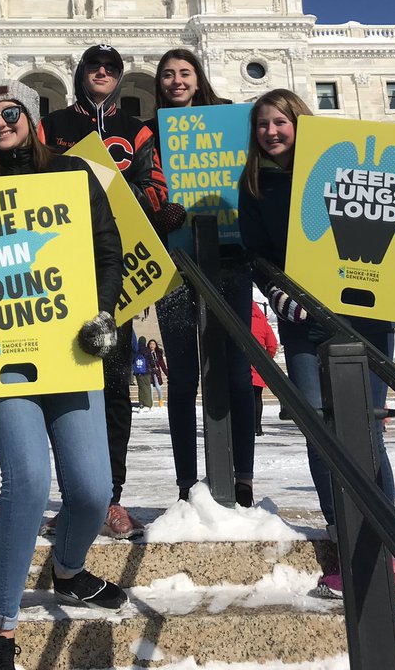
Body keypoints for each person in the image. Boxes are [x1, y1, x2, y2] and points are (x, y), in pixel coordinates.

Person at [0, 80, 126, 670]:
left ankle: (66, 567)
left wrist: (103, 313)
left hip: (68, 345)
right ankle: (2, 624)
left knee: (91, 489)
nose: (1, 123)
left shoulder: (74, 176)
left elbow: (107, 251)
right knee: (28, 480)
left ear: (32, 120)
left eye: (11, 114)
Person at [238, 87, 395, 598]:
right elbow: (256, 253)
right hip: (303, 323)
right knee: (320, 430)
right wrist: (277, 291)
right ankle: (344, 534)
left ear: (300, 123)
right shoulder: (253, 187)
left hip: (367, 317)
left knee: (365, 430)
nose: (271, 131)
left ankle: (382, 545)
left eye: (280, 122)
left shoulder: (341, 165)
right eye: (263, 124)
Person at [40, 44, 174, 539]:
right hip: (58, 265)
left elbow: (157, 186)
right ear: (80, 74)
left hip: (114, 265)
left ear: (120, 77)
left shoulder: (136, 130)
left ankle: (112, 496)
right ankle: (75, 496)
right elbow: (30, 180)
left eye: (111, 68)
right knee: (66, 386)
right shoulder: (51, 126)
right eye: (94, 67)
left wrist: (117, 194)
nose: (103, 73)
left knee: (116, 387)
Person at [147, 48, 257, 507]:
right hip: (176, 265)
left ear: (199, 77)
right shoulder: (150, 134)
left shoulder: (231, 122)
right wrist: (160, 215)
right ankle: (186, 480)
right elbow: (139, 195)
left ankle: (242, 476)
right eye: (168, 75)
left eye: (185, 72)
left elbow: (255, 177)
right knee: (183, 374)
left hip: (230, 258)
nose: (177, 81)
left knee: (234, 369)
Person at [250, 302, 277, 436]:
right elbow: (272, 343)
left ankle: (244, 425)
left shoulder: (238, 319)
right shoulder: (262, 322)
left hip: (241, 364)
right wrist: (267, 358)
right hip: (258, 365)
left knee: (241, 397)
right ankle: (257, 427)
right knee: (257, 397)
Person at [133, 334, 152, 409]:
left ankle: (141, 402)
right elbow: (151, 361)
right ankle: (148, 404)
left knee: (140, 388)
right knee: (147, 387)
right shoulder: (147, 350)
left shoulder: (136, 350)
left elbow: (133, 360)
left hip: (138, 372)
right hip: (146, 371)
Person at [147, 338, 167, 407]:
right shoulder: (147, 353)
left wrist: (167, 373)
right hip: (149, 373)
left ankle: (160, 400)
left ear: (155, 345)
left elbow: (162, 365)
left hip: (156, 373)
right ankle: (151, 403)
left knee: (158, 387)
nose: (152, 345)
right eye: (150, 344)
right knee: (150, 388)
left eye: (153, 344)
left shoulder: (158, 354)